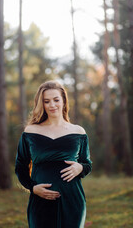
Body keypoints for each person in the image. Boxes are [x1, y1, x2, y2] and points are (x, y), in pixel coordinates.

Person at [15, 80, 92, 228]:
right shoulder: (31, 131)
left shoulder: (78, 132)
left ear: (63, 101)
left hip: (72, 201)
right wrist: (33, 188)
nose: (52, 105)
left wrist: (80, 168)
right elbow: (20, 166)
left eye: (56, 100)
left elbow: (87, 164)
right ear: (41, 104)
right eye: (46, 101)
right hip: (41, 202)